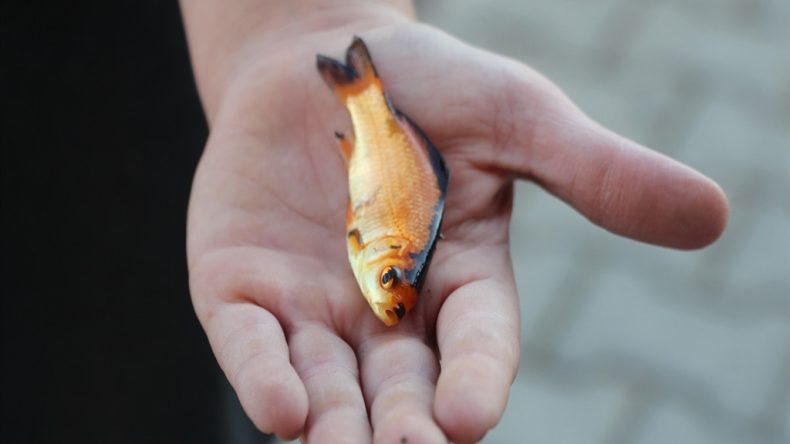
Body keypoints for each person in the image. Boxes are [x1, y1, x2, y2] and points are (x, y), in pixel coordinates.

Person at [180, 1, 729, 442]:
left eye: (392, 284)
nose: (389, 297)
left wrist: (288, 18)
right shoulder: (384, 245)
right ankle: (366, 96)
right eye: (394, 281)